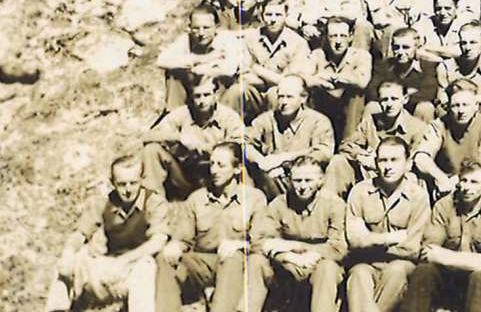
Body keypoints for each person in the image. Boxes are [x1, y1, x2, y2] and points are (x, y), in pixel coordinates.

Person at [154, 142, 268, 312]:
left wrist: (239, 245)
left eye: (221, 165)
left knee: (232, 258)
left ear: (237, 169)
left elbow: (262, 242)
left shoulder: (254, 198)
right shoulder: (197, 199)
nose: (214, 170)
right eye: (212, 164)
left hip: (237, 264)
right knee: (164, 258)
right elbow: (183, 238)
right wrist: (175, 245)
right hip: (204, 263)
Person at [45, 155, 168, 312]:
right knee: (67, 262)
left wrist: (124, 261)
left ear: (142, 179)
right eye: (122, 184)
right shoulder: (103, 202)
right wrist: (68, 252)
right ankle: (57, 310)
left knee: (146, 267)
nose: (128, 189)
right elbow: (80, 234)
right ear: (112, 183)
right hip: (108, 265)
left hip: (134, 268)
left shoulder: (154, 202)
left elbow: (158, 240)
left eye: (133, 183)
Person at [245, 156, 347, 312]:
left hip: (318, 264)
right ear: (290, 181)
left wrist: (295, 246)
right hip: (287, 265)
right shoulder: (279, 204)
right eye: (298, 180)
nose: (303, 186)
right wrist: (287, 257)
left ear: (321, 180)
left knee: (328, 268)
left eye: (308, 180)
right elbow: (258, 241)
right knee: (256, 261)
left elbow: (339, 248)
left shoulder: (335, 204)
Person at [403, 160, 481, 312]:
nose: (466, 187)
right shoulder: (444, 206)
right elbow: (429, 252)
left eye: (474, 182)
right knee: (424, 270)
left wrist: (445, 256)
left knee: (480, 275)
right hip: (446, 278)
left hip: (476, 282)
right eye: (464, 181)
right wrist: (465, 260)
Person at [345, 136, 431, 312]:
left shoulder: (418, 196)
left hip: (401, 264)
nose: (388, 166)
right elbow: (354, 241)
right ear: (376, 163)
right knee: (358, 274)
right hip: (366, 263)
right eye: (383, 160)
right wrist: (391, 238)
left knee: (396, 271)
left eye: (394, 160)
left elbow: (412, 248)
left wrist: (370, 240)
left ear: (407, 163)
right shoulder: (360, 191)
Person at [141, 79, 246, 198]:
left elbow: (240, 148)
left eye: (206, 95)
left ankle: (236, 202)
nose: (202, 101)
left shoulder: (229, 116)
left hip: (215, 175)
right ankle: (153, 203)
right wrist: (180, 137)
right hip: (185, 175)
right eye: (197, 96)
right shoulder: (183, 113)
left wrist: (209, 149)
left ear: (215, 95)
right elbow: (147, 136)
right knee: (151, 149)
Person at [326, 79, 430, 197]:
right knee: (338, 161)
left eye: (394, 99)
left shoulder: (417, 127)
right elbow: (346, 146)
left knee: (412, 178)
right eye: (384, 99)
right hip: (368, 174)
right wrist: (360, 155)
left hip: (398, 177)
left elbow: (415, 163)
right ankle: (330, 207)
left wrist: (377, 163)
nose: (389, 104)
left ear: (405, 99)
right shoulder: (371, 121)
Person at [244, 76, 335, 198]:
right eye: (281, 97)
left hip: (305, 183)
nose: (283, 102)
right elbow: (243, 142)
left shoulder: (318, 121)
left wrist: (284, 160)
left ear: (303, 98)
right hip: (272, 180)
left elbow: (324, 153)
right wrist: (262, 162)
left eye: (289, 97)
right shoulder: (266, 119)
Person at [414, 80, 481, 197]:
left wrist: (461, 179)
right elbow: (421, 157)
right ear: (449, 106)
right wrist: (441, 178)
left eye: (465, 105)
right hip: (447, 182)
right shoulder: (439, 125)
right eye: (456, 105)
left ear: (476, 106)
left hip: (475, 180)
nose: (461, 111)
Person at [156, 3, 242, 110]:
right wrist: (204, 58)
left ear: (217, 27)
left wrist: (200, 69)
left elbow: (229, 70)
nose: (201, 33)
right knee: (174, 73)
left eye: (206, 28)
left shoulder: (227, 38)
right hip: (195, 93)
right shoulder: (187, 39)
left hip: (221, 95)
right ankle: (175, 113)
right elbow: (161, 60)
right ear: (189, 27)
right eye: (196, 28)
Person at [304, 16, 373, 144]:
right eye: (333, 36)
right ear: (326, 37)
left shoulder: (361, 55)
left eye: (343, 36)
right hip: (323, 104)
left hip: (348, 107)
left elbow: (362, 81)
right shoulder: (317, 54)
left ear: (351, 37)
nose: (338, 41)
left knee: (356, 93)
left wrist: (331, 77)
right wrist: (321, 81)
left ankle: (349, 142)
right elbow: (304, 79)